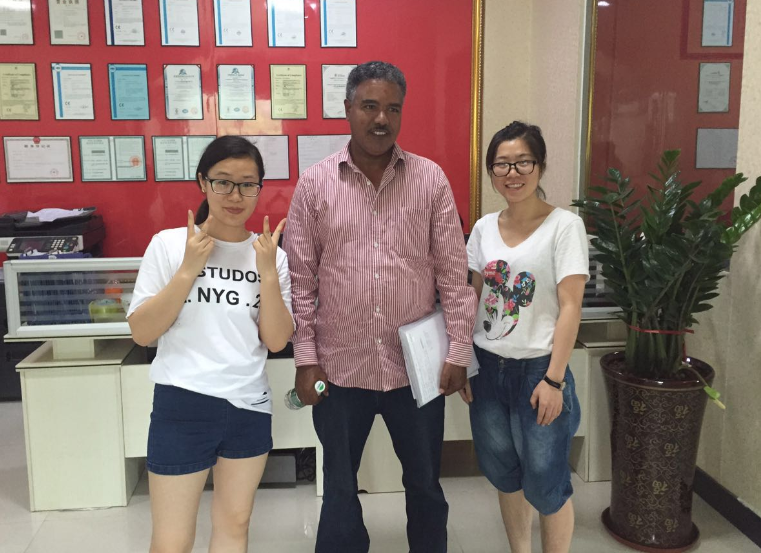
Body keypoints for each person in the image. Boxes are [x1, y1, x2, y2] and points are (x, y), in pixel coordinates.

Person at [284, 60, 477, 553]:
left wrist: (459, 351)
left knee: (425, 485)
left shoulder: (430, 180)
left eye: (393, 108)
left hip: (416, 373)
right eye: (369, 106)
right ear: (348, 108)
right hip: (338, 370)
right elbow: (300, 282)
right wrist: (306, 360)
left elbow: (453, 275)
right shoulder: (315, 184)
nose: (381, 119)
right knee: (339, 487)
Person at [127, 136, 294, 553]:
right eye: (223, 182)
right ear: (203, 183)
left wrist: (268, 274)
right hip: (183, 404)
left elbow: (276, 340)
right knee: (172, 539)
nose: (235, 196)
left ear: (259, 187)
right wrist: (188, 270)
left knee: (235, 526)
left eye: (247, 184)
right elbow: (142, 332)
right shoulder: (169, 245)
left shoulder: (271, 256)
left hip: (248, 405)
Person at [461, 121, 589, 553]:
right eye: (501, 164)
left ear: (540, 166)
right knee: (505, 473)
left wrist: (554, 380)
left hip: (539, 369)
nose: (512, 173)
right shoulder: (483, 229)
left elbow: (571, 306)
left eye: (522, 162)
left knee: (547, 480)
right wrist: (463, 360)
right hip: (487, 367)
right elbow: (473, 297)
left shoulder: (564, 226)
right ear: (491, 172)